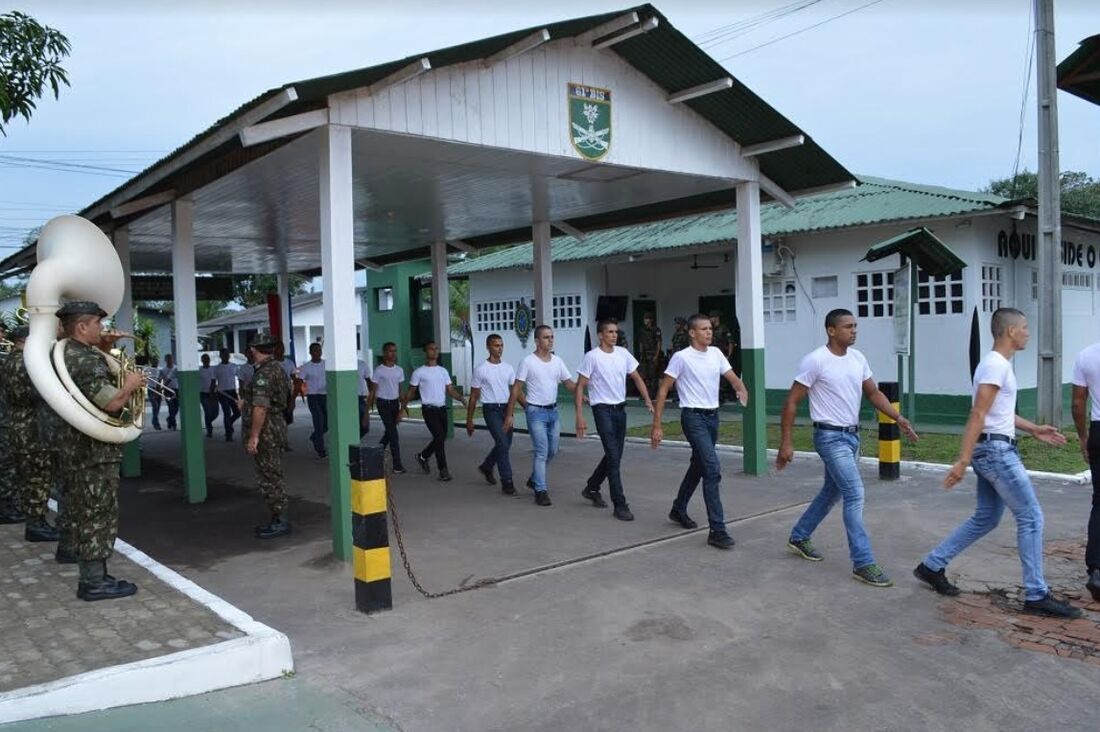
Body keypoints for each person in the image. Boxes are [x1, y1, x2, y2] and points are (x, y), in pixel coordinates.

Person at [916, 308, 1082, 617]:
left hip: (993, 449)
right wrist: (962, 460)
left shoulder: (997, 365)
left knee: (987, 518)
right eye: (1025, 327)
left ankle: (932, 565)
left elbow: (997, 413)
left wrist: (1034, 429)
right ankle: (1036, 595)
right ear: (1010, 332)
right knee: (1031, 517)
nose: (1028, 333)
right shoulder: (995, 365)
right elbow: (978, 413)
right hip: (995, 452)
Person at [777, 308, 918, 588]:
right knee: (854, 493)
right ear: (831, 330)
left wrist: (897, 417)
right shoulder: (816, 360)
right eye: (847, 327)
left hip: (850, 437)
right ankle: (863, 563)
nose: (853, 331)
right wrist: (786, 442)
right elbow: (792, 401)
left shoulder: (858, 358)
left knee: (833, 491)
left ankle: (799, 536)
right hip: (829, 437)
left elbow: (873, 393)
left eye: (855, 326)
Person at [56, 300, 144, 600]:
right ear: (82, 326)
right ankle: (93, 581)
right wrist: (131, 384)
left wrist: (105, 351)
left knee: (87, 510)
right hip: (93, 452)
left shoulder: (73, 353)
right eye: (98, 324)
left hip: (80, 449)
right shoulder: (84, 360)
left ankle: (97, 574)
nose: (102, 329)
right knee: (97, 513)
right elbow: (111, 403)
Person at [650, 313, 747, 549]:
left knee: (699, 466)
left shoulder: (716, 354)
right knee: (712, 470)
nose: (709, 332)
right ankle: (717, 530)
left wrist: (740, 388)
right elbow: (663, 390)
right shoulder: (681, 358)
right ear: (692, 333)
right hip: (692, 417)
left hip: (713, 417)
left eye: (710, 329)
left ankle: (678, 508)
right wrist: (657, 425)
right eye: (703, 329)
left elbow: (733, 377)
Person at [576, 319, 653, 521]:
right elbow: (580, 386)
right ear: (601, 335)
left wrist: (647, 400)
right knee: (613, 456)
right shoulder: (592, 357)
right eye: (609, 332)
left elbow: (636, 377)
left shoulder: (623, 354)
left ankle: (592, 487)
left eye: (616, 332)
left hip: (620, 410)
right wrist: (579, 416)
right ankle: (620, 504)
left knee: (615, 455)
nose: (614, 335)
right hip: (602, 410)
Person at [505, 325, 579, 506]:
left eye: (552, 337)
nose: (550, 340)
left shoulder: (557, 361)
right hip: (535, 412)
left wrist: (581, 391)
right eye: (546, 337)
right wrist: (509, 414)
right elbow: (516, 389)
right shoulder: (528, 362)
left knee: (552, 451)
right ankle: (541, 490)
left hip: (553, 412)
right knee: (541, 451)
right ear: (537, 341)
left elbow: (569, 384)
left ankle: (535, 479)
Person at [0, 325, 60, 542]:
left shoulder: (9, 360)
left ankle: (37, 522)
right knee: (37, 477)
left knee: (31, 477)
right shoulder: (23, 362)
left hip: (22, 426)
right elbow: (36, 392)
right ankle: (36, 525)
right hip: (31, 429)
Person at [239, 332, 293, 539]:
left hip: (267, 430)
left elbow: (261, 408)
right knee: (272, 473)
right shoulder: (278, 369)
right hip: (276, 425)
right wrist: (246, 403)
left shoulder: (263, 374)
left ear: (254, 349)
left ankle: (280, 520)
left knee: (270, 475)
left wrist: (254, 437)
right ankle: (278, 517)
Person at [401, 341, 466, 481]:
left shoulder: (443, 371)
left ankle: (423, 456)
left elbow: (450, 390)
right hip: (428, 410)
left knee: (440, 438)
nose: (435, 351)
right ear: (426, 351)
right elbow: (411, 391)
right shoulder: (419, 372)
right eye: (431, 349)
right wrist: (403, 407)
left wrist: (461, 398)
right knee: (439, 437)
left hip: (442, 409)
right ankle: (443, 470)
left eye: (436, 349)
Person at [466, 334, 518, 494]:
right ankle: (507, 481)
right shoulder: (481, 369)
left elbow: (516, 391)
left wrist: (529, 407)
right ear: (488, 347)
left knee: (506, 444)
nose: (500, 348)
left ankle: (487, 466)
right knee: (502, 444)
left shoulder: (508, 368)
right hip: (491, 410)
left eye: (501, 345)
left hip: (506, 409)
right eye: (496, 345)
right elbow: (474, 396)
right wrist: (469, 420)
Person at [1071, 336, 1100, 602]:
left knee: (1099, 502)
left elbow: (1078, 403)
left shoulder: (1087, 355)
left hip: (1099, 433)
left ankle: (1097, 570)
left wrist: (1083, 436)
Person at [0, 322, 26, 525]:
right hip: (6, 420)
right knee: (7, 465)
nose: (2, 336)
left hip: (8, 418)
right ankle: (6, 508)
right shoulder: (14, 361)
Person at [368, 342, 405, 473]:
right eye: (390, 351)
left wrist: (403, 408)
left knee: (390, 433)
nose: (393, 353)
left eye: (395, 351)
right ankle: (397, 465)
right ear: (384, 353)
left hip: (395, 403)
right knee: (393, 434)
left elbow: (400, 390)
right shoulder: (379, 370)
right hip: (383, 404)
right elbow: (373, 390)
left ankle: (377, 451)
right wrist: (367, 410)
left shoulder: (399, 370)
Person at [299, 342, 328, 458]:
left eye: (319, 350)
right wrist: (298, 394)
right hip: (313, 397)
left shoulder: (326, 364)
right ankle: (320, 449)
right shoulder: (306, 367)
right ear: (310, 352)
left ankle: (315, 436)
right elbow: (299, 382)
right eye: (315, 350)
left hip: (325, 396)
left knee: (327, 423)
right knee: (319, 422)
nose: (317, 353)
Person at [213, 349, 240, 442]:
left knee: (238, 412)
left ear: (229, 355)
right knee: (227, 413)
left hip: (233, 392)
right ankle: (228, 434)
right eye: (223, 354)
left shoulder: (234, 366)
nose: (225, 356)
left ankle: (229, 424)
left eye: (227, 354)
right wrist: (212, 393)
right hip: (222, 393)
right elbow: (213, 382)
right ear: (220, 356)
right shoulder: (216, 368)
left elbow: (240, 378)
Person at [635, 312, 663, 399]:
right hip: (644, 355)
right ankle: (644, 394)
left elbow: (659, 343)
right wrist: (640, 353)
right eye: (644, 319)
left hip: (652, 354)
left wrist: (656, 355)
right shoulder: (642, 330)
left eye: (647, 319)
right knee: (643, 375)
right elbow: (641, 343)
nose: (645, 320)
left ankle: (653, 394)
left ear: (651, 320)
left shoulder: (656, 330)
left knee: (653, 376)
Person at [198, 353, 218, 438]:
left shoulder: (213, 369)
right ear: (202, 361)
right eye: (204, 359)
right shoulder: (199, 370)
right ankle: (209, 429)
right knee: (208, 412)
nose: (206, 361)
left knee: (215, 413)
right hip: (203, 394)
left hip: (213, 393)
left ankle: (209, 423)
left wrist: (212, 391)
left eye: (207, 359)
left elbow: (214, 381)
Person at [159, 354, 179, 430]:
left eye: (170, 359)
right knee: (171, 407)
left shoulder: (176, 368)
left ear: (172, 359)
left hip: (176, 390)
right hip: (168, 390)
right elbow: (161, 380)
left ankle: (169, 419)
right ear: (165, 360)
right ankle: (174, 424)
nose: (169, 360)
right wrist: (161, 389)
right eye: (168, 359)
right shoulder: (163, 370)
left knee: (176, 407)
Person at [146, 354, 163, 430]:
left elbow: (160, 379)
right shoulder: (148, 369)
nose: (156, 362)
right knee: (155, 406)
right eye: (154, 361)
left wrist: (160, 388)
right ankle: (156, 423)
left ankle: (154, 420)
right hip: (151, 389)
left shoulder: (160, 369)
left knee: (158, 407)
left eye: (157, 361)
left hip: (158, 388)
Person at [357, 357, 371, 438]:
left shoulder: (362, 364)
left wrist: (372, 396)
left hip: (361, 398)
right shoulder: (341, 365)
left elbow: (368, 381)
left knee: (365, 427)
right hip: (348, 400)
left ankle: (354, 441)